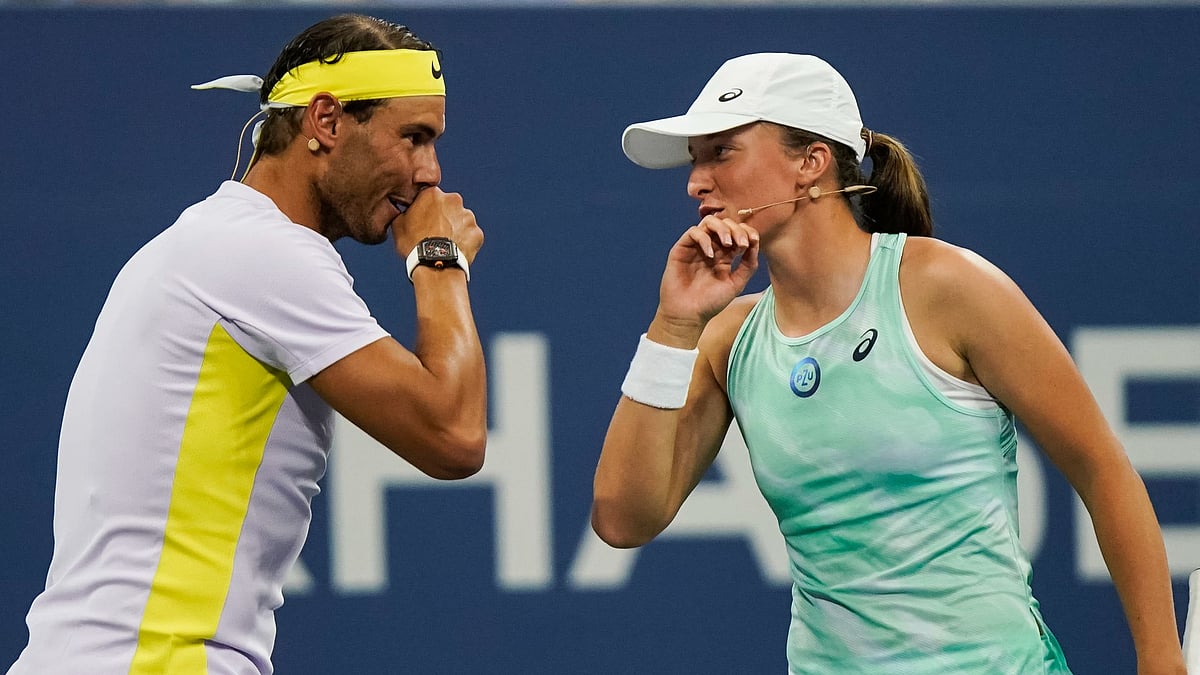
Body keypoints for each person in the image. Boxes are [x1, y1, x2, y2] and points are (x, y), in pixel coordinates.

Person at [590, 52, 1184, 674]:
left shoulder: (947, 288)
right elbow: (623, 519)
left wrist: (1160, 662)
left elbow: (1102, 470)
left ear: (809, 163)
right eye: (695, 160)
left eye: (721, 152)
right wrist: (674, 325)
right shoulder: (730, 336)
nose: (695, 182)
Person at [8, 13, 485, 675]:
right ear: (326, 121)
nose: (430, 173)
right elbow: (454, 435)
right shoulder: (263, 253)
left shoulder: (211, 240)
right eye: (413, 137)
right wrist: (441, 259)